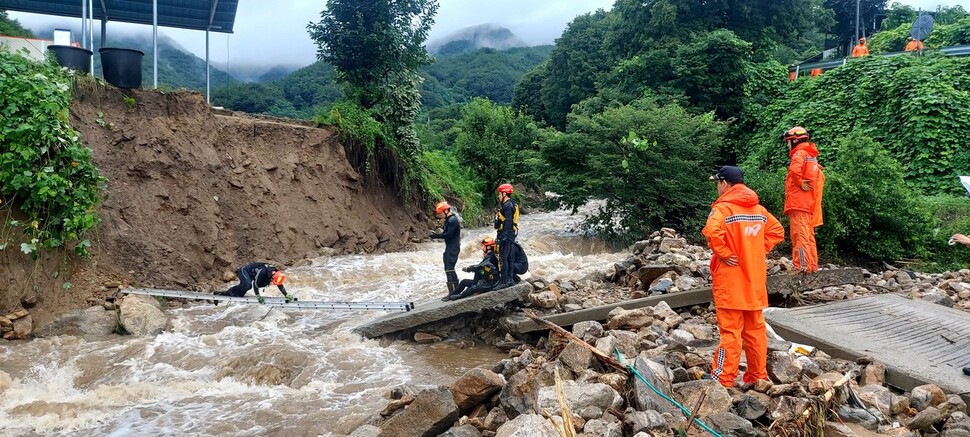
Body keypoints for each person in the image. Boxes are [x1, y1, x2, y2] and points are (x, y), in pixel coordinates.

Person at [703, 166, 785, 388]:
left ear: (725, 184)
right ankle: (758, 377)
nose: (717, 188)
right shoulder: (758, 209)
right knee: (755, 331)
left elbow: (711, 232)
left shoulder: (723, 210)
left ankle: (722, 378)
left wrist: (725, 253)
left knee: (730, 332)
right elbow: (778, 231)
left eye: (717, 183)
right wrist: (757, 249)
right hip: (754, 283)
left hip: (731, 282)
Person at [783, 126, 825, 273]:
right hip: (808, 203)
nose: (787, 145)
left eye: (788, 141)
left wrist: (799, 182)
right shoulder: (811, 156)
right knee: (808, 235)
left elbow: (795, 170)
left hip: (799, 203)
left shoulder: (799, 154)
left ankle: (801, 266)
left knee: (799, 235)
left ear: (795, 140)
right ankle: (811, 266)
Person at [216, 262, 293, 304]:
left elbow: (279, 284)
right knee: (248, 285)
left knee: (240, 294)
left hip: (252, 275)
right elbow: (255, 285)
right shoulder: (263, 272)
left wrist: (286, 295)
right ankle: (224, 294)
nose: (273, 282)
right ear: (273, 276)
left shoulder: (275, 272)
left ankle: (222, 293)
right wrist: (258, 296)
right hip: (244, 271)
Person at [430, 200, 461, 296]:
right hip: (451, 247)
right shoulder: (450, 220)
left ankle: (453, 292)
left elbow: (448, 235)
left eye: (441, 213)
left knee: (449, 269)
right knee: (448, 268)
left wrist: (436, 236)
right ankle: (454, 292)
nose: (440, 216)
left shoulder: (452, 221)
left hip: (453, 247)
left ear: (446, 211)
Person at [494, 183, 520, 290]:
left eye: (499, 194)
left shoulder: (507, 206)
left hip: (507, 234)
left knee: (503, 258)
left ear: (504, 193)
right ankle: (510, 279)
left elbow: (508, 221)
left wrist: (504, 236)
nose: (498, 196)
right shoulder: (510, 204)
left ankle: (504, 281)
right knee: (509, 257)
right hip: (509, 234)